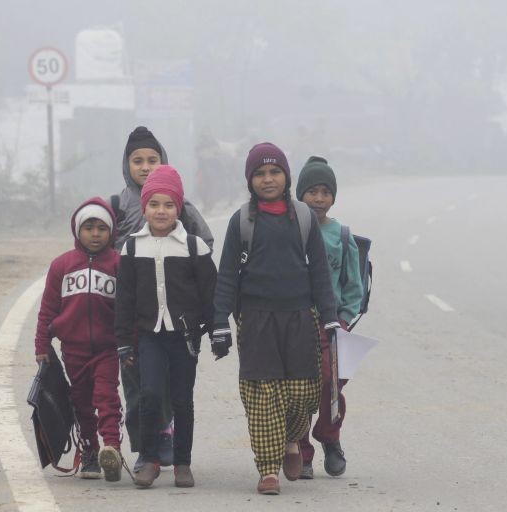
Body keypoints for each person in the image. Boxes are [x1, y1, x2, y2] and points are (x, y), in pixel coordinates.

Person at [211, 142, 339, 495]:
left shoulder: (304, 218)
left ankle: (292, 439)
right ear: (249, 180)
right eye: (260, 174)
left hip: (300, 318)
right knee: (262, 395)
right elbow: (227, 276)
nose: (268, 179)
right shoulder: (241, 221)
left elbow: (320, 274)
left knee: (303, 393)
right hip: (256, 321)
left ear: (286, 176)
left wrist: (329, 317)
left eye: (275, 172)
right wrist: (220, 322)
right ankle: (268, 469)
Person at [110, 126, 214, 472]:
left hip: (174, 312)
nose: (145, 166)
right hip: (132, 307)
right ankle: (145, 447)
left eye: (152, 160)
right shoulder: (117, 206)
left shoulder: (181, 206)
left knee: (170, 382)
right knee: (137, 382)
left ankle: (166, 436)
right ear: (126, 165)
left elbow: (204, 246)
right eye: (137, 160)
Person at [34, 197, 124, 482]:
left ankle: (112, 448)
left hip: (108, 349)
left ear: (111, 231)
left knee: (107, 398)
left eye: (102, 228)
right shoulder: (61, 265)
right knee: (82, 402)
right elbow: (48, 309)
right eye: (88, 228)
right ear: (77, 230)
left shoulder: (119, 264)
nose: (95, 234)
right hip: (73, 350)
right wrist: (41, 345)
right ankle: (90, 452)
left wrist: (130, 344)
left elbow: (128, 310)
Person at [295, 156, 363, 479]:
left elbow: (353, 287)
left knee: (330, 383)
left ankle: (330, 437)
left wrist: (344, 320)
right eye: (312, 192)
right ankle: (301, 452)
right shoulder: (291, 232)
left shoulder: (342, 236)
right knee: (296, 389)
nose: (319, 199)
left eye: (325, 192)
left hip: (332, 326)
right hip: (295, 322)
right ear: (300, 195)